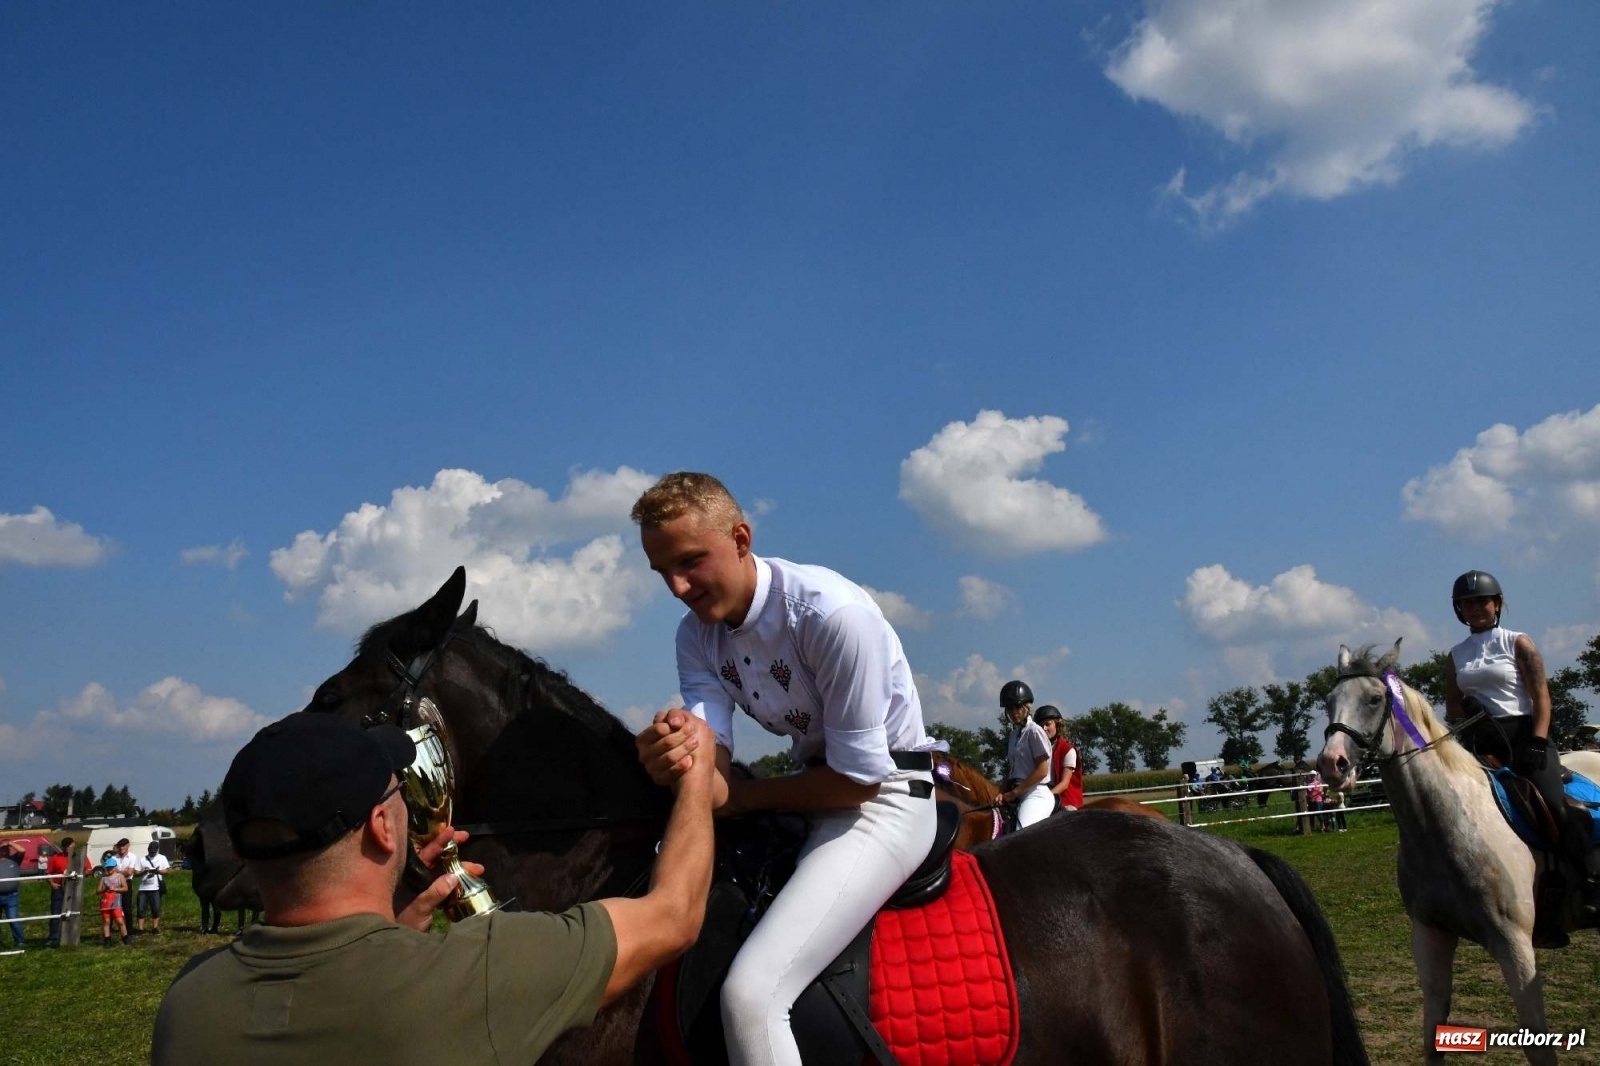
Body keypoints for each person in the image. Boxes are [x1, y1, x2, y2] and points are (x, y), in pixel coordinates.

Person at [153, 710, 717, 1065]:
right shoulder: (480, 973)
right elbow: (674, 916)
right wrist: (696, 777)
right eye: (399, 791)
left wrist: (392, 917)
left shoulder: (189, 1000)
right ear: (380, 827)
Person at [630, 472, 938, 1066]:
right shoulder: (696, 636)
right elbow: (711, 767)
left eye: (691, 561)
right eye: (662, 571)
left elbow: (858, 781)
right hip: (811, 795)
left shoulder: (831, 615)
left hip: (886, 802)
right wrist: (674, 758)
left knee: (752, 996)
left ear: (741, 538)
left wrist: (740, 797)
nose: (677, 586)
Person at [1445, 569, 1600, 917]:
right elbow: (1453, 705)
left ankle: (1590, 882)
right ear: (1458, 610)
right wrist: (1467, 714)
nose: (1474, 608)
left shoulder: (1518, 642)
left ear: (1496, 604)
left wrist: (1538, 740)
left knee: (1557, 807)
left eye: (1480, 601)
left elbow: (1541, 697)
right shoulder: (1456, 655)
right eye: (1466, 603)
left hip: (1526, 737)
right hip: (1482, 742)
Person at [997, 681, 1054, 828]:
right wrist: (1000, 792)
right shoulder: (1013, 735)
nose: (1014, 712)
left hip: (1036, 794)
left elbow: (1042, 771)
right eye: (1010, 708)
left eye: (1018, 707)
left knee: (1020, 833)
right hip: (1019, 794)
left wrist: (1014, 793)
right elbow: (1012, 772)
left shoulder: (1034, 731)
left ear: (1026, 707)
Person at [1034, 705, 1083, 811]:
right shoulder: (1034, 750)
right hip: (1039, 794)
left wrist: (1045, 798)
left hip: (1064, 798)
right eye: (1040, 726)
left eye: (1048, 724)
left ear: (1057, 725)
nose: (1044, 728)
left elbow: (1064, 784)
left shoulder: (1068, 750)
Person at [133, 840, 171, 935]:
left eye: (154, 852)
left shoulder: (162, 858)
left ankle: (155, 927)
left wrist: (158, 871)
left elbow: (167, 871)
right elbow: (136, 873)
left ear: (157, 850)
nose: (152, 853)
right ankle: (140, 929)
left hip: (156, 888)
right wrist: (143, 872)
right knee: (141, 909)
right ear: (148, 850)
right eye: (151, 851)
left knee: (156, 908)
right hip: (143, 888)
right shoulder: (142, 859)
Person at [45, 836, 77, 948]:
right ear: (64, 847)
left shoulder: (78, 858)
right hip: (59, 888)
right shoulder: (55, 858)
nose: (71, 848)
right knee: (56, 912)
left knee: (73, 912)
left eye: (72, 846)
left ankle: (71, 935)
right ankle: (54, 937)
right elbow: (48, 872)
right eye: (68, 846)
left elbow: (87, 870)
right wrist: (52, 884)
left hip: (73, 889)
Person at [99, 854, 130, 947]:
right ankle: (107, 939)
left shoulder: (120, 876)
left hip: (116, 903)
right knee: (107, 921)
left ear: (115, 867)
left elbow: (125, 888)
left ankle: (125, 937)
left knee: (120, 921)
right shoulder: (104, 878)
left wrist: (115, 889)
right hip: (105, 903)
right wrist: (104, 889)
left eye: (111, 868)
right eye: (108, 868)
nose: (110, 870)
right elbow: (98, 891)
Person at [0, 840, 25, 951]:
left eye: (6, 848)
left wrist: (9, 843)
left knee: (13, 920)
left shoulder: (15, 859)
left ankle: (20, 942)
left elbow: (22, 850)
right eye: (2, 849)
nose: (5, 850)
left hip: (11, 896)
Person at [113, 838, 137, 929]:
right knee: (114, 906)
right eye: (119, 846)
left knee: (127, 907)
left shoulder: (132, 857)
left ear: (127, 846)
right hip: (115, 883)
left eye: (123, 846)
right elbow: (112, 872)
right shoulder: (114, 858)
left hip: (127, 883)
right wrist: (124, 871)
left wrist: (118, 872)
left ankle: (129, 929)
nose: (121, 848)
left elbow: (130, 872)